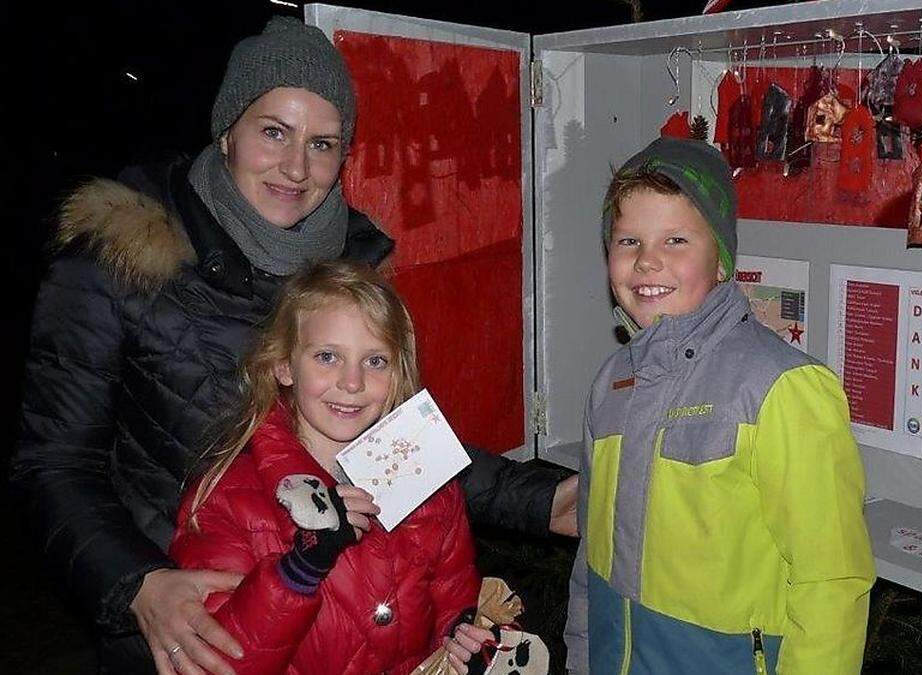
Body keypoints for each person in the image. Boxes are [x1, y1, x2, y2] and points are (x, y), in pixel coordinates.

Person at [12, 17, 574, 675]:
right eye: (273, 131)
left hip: (343, 630)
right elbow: (52, 462)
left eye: (323, 142)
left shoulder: (350, 267)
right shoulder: (120, 259)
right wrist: (137, 583)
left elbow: (394, 443)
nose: (296, 166)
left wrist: (547, 500)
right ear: (229, 130)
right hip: (187, 633)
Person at [563, 137, 876, 674]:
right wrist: (581, 657)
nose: (647, 261)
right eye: (628, 240)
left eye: (677, 240)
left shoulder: (782, 389)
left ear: (723, 261)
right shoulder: (611, 384)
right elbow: (590, 560)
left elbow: (832, 582)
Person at [170, 260, 481, 674]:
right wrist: (299, 570)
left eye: (375, 361)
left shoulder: (431, 488)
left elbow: (459, 601)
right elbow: (218, 662)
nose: (352, 382)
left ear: (399, 371)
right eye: (328, 356)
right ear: (284, 365)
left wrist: (470, 642)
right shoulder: (226, 500)